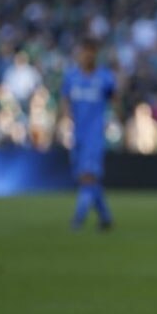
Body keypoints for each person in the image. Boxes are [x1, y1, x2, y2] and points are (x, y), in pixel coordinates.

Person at [60, 37, 118, 231]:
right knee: (84, 177)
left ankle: (79, 218)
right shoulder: (71, 77)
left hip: (95, 134)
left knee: (88, 176)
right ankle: (105, 216)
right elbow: (65, 100)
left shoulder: (105, 77)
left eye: (91, 51)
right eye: (85, 50)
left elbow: (115, 99)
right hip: (77, 133)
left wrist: (112, 120)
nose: (87, 55)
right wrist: (66, 120)